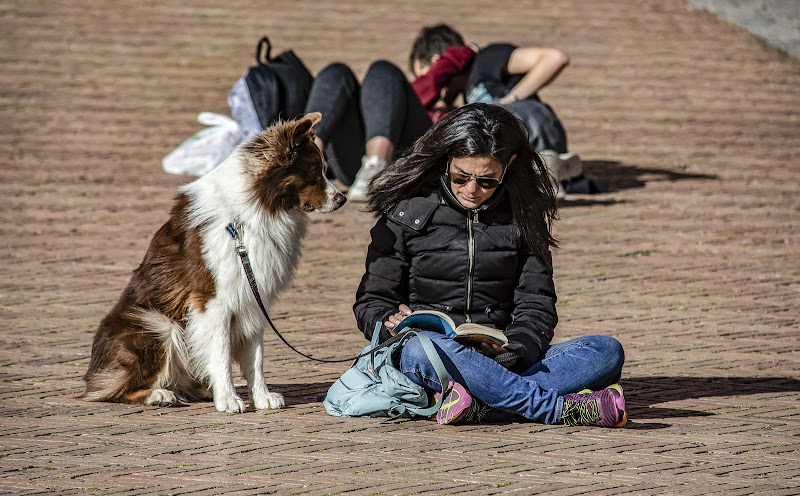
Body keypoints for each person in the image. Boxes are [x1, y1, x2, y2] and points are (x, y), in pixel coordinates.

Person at [352, 103, 627, 427]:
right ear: (446, 159)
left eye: (486, 180)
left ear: (508, 165)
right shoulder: (406, 210)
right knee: (419, 350)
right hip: (430, 355)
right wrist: (388, 322)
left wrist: (516, 352)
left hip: (503, 354)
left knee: (605, 351)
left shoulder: (523, 213)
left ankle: (478, 403)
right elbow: (371, 301)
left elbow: (536, 304)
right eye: (460, 176)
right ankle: (555, 409)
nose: (471, 189)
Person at [408, 24, 584, 197]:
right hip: (529, 141)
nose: (436, 96)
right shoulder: (469, 96)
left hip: (531, 122)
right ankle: (546, 173)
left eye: (426, 76)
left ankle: (542, 169)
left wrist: (510, 99)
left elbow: (555, 58)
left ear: (437, 63)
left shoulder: (487, 57)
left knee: (488, 125)